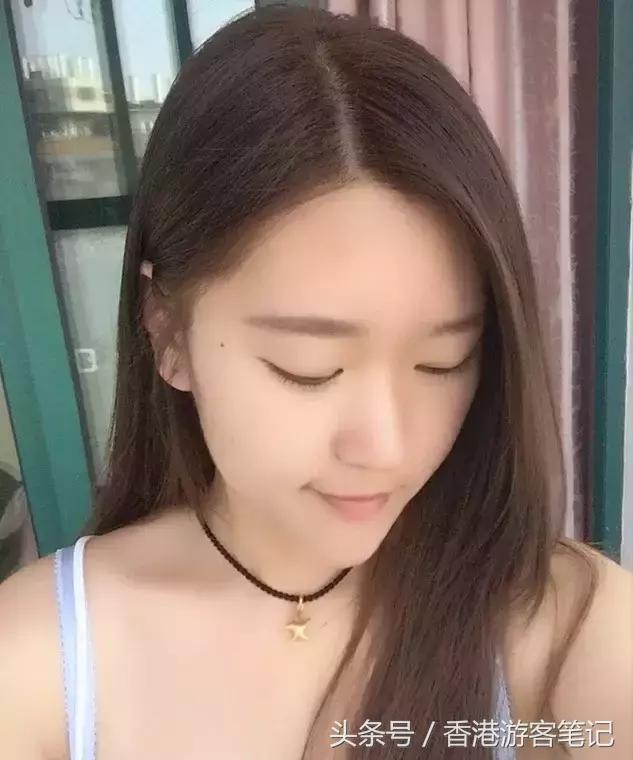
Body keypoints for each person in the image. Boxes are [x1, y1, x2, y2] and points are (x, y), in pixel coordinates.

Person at [0, 5, 631, 759]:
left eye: (444, 360)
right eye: (308, 369)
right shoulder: (36, 663)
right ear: (167, 331)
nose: (388, 448)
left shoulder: (564, 623)